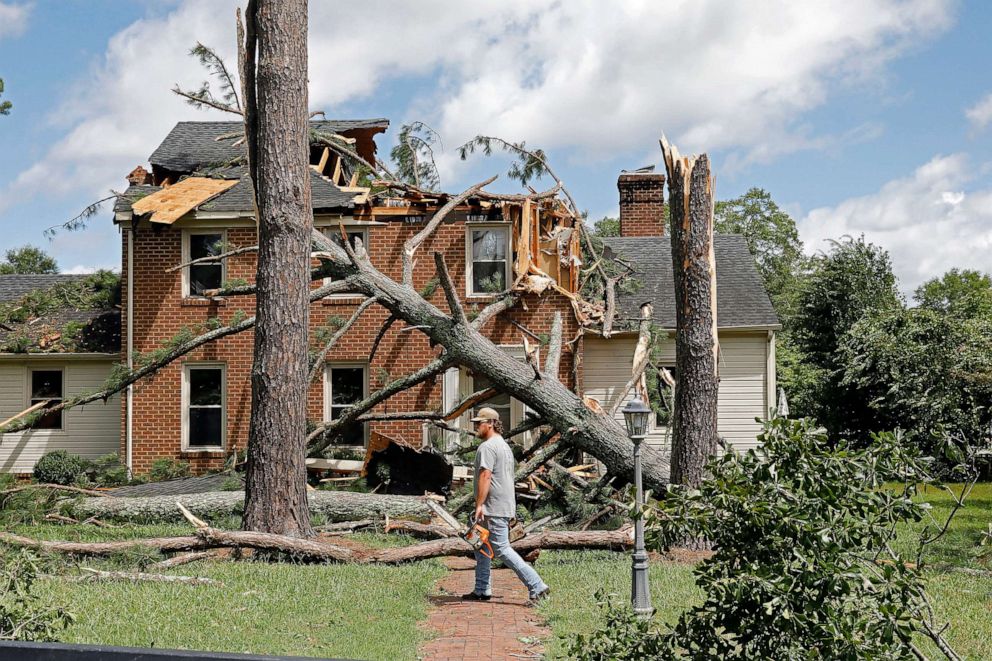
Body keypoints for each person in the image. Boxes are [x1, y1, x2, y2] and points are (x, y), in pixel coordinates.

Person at [463, 407, 550, 604]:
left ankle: (537, 586)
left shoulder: (487, 447)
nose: (476, 427)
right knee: (481, 544)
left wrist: (479, 505)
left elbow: (486, 475)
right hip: (501, 505)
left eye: (479, 423)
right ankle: (481, 589)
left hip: (492, 507)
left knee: (501, 548)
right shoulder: (503, 446)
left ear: (491, 423)